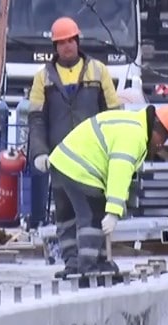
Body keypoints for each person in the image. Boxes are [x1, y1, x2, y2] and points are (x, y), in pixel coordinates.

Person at [47, 105, 168, 277]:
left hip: (62, 162)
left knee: (67, 219)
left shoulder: (132, 124)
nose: (161, 146)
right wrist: (114, 211)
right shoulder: (135, 136)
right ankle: (88, 268)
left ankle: (74, 264)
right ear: (157, 127)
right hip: (81, 169)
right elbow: (119, 172)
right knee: (93, 218)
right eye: (163, 139)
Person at [27, 17, 120, 233]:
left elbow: (113, 114)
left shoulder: (98, 71)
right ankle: (71, 261)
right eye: (61, 42)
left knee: (95, 211)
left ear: (78, 41)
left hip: (93, 158)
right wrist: (39, 152)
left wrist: (112, 149)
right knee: (65, 214)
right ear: (55, 47)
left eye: (70, 40)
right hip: (61, 158)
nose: (67, 46)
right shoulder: (42, 78)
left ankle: (95, 259)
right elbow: (36, 119)